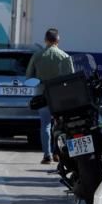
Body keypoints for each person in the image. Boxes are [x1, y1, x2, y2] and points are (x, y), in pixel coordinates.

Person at [26, 28, 75, 164]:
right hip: (60, 97)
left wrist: (40, 82)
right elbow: (71, 80)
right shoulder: (65, 56)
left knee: (45, 125)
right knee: (60, 125)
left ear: (45, 40)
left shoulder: (37, 56)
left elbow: (29, 77)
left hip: (42, 96)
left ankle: (46, 155)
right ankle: (57, 153)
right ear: (58, 41)